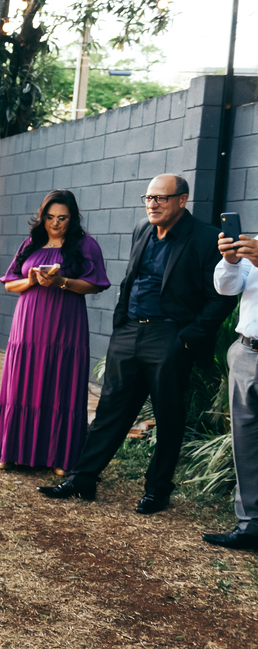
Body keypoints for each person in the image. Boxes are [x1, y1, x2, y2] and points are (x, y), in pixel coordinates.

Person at [41, 174, 236, 514]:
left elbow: (221, 297)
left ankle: (157, 491)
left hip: (170, 336)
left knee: (168, 416)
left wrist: (187, 338)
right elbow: (130, 281)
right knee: (110, 410)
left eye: (161, 198)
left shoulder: (206, 238)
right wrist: (121, 323)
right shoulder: (142, 230)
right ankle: (83, 479)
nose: (152, 204)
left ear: (182, 200)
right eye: (148, 198)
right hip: (130, 331)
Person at [0, 190, 110, 473]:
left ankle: (59, 456)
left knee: (60, 379)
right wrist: (31, 280)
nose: (55, 223)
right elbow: (10, 283)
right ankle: (12, 450)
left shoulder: (85, 245)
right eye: (50, 217)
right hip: (28, 321)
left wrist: (61, 282)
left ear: (72, 218)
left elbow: (96, 284)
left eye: (62, 218)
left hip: (65, 321)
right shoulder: (31, 243)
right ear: (42, 217)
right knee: (22, 379)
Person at [204, 229, 258, 550]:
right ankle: (250, 524)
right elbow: (226, 287)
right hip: (247, 352)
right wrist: (231, 261)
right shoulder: (255, 243)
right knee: (245, 442)